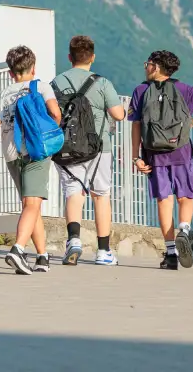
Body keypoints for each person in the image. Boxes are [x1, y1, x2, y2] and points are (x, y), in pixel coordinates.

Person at [0, 45, 60, 275]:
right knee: (33, 204)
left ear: (11, 72)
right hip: (35, 151)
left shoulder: (4, 93)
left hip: (11, 154)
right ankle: (18, 249)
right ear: (33, 68)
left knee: (30, 206)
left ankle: (42, 256)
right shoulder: (41, 87)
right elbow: (56, 114)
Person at [129, 50, 193, 271]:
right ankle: (185, 231)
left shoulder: (141, 91)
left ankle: (170, 253)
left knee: (164, 200)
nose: (145, 67)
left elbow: (136, 125)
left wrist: (135, 156)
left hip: (154, 154)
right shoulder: (184, 89)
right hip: (181, 150)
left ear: (156, 67)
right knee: (185, 197)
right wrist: (192, 123)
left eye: (148, 64)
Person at [51, 36, 124, 266]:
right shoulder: (102, 83)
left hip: (67, 146)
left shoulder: (57, 82)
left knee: (74, 193)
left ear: (69, 57)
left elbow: (52, 113)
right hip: (100, 147)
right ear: (92, 57)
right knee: (100, 195)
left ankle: (74, 240)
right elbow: (119, 114)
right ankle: (103, 251)